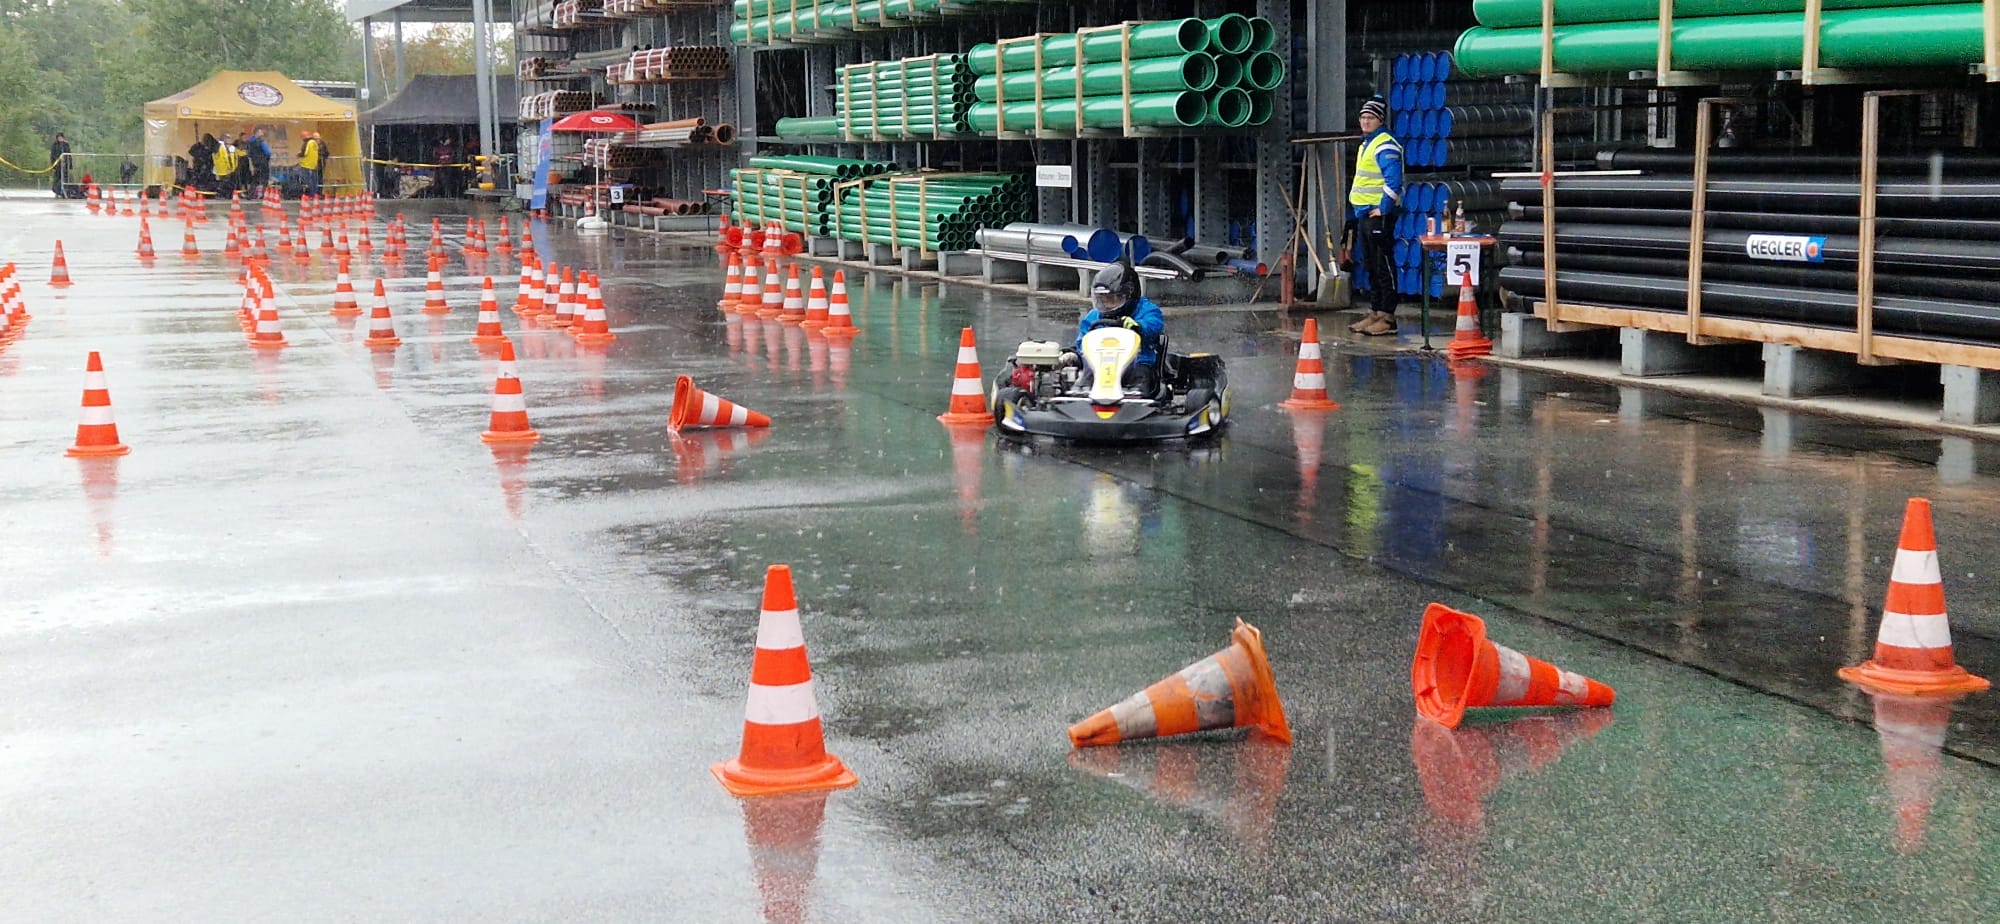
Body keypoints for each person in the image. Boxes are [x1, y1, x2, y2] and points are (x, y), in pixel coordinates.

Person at [1347, 96, 1405, 337]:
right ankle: (1376, 310)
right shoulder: (1366, 144)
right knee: (1371, 264)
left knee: (1383, 264)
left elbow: (1393, 180)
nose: (1365, 121)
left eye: (1370, 118)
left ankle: (1388, 316)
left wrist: (1384, 207)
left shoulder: (1385, 144)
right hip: (1364, 213)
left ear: (1380, 120)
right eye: (1362, 117)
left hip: (1378, 214)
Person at [1072, 262, 1165, 394]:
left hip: (1137, 362)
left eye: (1112, 299)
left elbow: (1154, 325)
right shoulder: (1094, 316)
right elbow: (1083, 340)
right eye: (1103, 299)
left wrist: (1138, 327)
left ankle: (1138, 395)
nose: (1107, 304)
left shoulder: (1146, 310)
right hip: (1100, 364)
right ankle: (1082, 394)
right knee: (1086, 375)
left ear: (1129, 294)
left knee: (1141, 377)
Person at [244, 128, 272, 197]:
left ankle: (250, 194)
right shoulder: (261, 141)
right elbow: (267, 152)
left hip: (255, 163)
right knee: (265, 179)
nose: (262, 133)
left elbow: (248, 153)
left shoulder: (249, 142)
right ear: (257, 132)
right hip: (263, 162)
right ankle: (264, 194)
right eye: (261, 132)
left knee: (255, 179)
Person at [211, 134, 240, 198]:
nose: (230, 140)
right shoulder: (222, 147)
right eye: (229, 138)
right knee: (225, 183)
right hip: (225, 168)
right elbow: (226, 158)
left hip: (223, 168)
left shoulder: (222, 147)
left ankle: (224, 195)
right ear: (225, 139)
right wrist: (231, 167)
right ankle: (222, 195)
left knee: (225, 182)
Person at [298, 130, 325, 196]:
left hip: (306, 164)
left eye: (302, 137)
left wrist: (298, 154)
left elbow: (305, 153)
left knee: (307, 180)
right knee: (314, 180)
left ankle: (311, 194)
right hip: (314, 164)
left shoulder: (307, 143)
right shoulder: (314, 143)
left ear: (304, 136)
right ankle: (315, 194)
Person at [49, 132, 71, 198]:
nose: (60, 139)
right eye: (59, 138)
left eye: (61, 137)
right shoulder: (54, 145)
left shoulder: (66, 144)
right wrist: (53, 166)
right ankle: (57, 192)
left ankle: (64, 192)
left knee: (65, 178)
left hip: (65, 165)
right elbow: (52, 156)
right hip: (57, 166)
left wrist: (70, 165)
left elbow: (69, 155)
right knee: (57, 179)